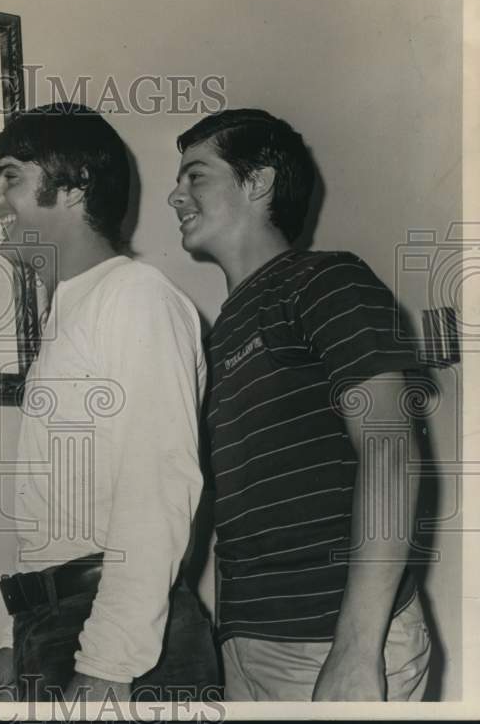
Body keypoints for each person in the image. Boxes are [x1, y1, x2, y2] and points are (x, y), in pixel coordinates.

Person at [168, 108, 431, 701]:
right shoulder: (218, 334)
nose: (174, 195)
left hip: (333, 644)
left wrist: (357, 652)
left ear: (257, 181)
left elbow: (390, 451)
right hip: (245, 646)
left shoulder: (327, 281)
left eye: (196, 176)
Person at [0, 104, 217, 702]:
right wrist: (15, 642)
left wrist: (108, 664)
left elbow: (155, 488)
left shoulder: (136, 297)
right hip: (58, 626)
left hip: (117, 641)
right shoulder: (73, 307)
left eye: (10, 176)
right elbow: (61, 505)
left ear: (77, 186)